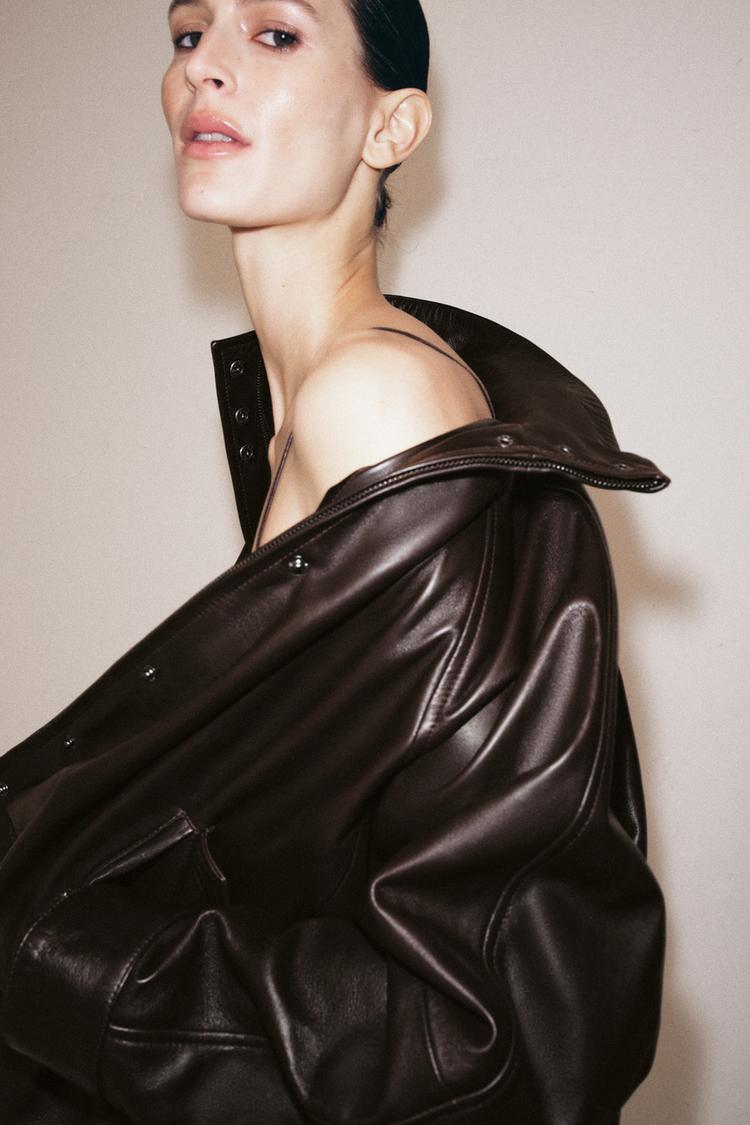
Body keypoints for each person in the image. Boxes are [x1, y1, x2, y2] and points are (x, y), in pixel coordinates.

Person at [0, 2, 669, 1123]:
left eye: (275, 34)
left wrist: (39, 950)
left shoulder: (375, 400)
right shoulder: (312, 404)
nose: (204, 69)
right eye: (187, 34)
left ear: (391, 128)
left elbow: (468, 1013)